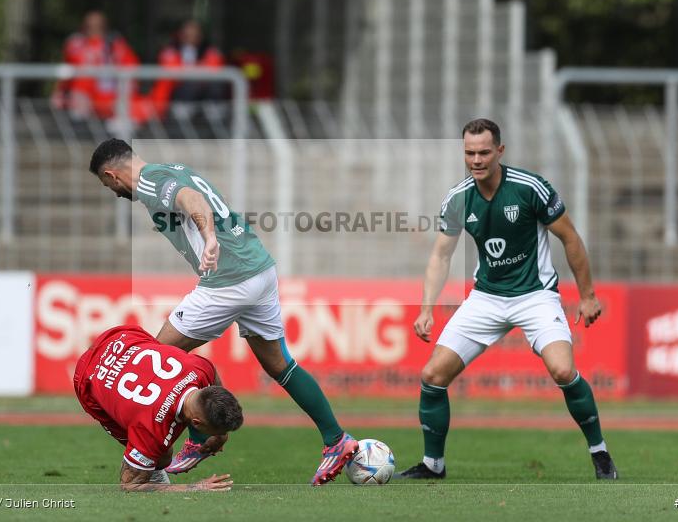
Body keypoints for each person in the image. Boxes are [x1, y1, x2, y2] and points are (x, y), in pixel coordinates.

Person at [88, 138, 358, 486]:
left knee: (157, 360)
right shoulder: (172, 169)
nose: (113, 192)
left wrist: (210, 237)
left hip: (228, 280)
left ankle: (195, 440)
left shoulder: (150, 181)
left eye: (107, 184)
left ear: (111, 175)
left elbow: (191, 199)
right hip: (259, 270)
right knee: (280, 365)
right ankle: (336, 439)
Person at [399, 118, 619, 481]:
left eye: (484, 152)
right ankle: (433, 465)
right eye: (469, 153)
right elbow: (441, 255)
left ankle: (600, 453)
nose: (476, 160)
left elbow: (570, 238)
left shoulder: (530, 188)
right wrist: (426, 309)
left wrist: (588, 295)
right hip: (486, 298)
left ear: (500, 151)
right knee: (432, 375)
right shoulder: (458, 198)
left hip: (535, 296)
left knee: (564, 371)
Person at [74, 324, 242, 492]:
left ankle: (148, 463)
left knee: (156, 449)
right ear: (196, 423)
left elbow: (213, 375)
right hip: (89, 375)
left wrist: (219, 434)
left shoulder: (200, 368)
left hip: (123, 338)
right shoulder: (150, 431)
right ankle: (147, 468)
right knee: (160, 457)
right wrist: (195, 487)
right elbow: (130, 485)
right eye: (216, 432)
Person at [53, 11, 151, 123]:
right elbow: (67, 73)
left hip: (113, 95)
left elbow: (132, 71)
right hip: (85, 97)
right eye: (89, 26)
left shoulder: (117, 46)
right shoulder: (76, 45)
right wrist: (59, 93)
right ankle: (80, 121)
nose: (93, 30)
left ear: (104, 27)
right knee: (83, 79)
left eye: (97, 26)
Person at [148, 20, 226, 120]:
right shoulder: (170, 51)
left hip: (205, 90)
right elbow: (173, 72)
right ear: (180, 35)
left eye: (194, 35)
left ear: (200, 36)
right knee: (189, 85)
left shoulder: (211, 52)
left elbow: (214, 70)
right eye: (187, 35)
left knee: (214, 86)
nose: (190, 37)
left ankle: (214, 114)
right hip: (180, 91)